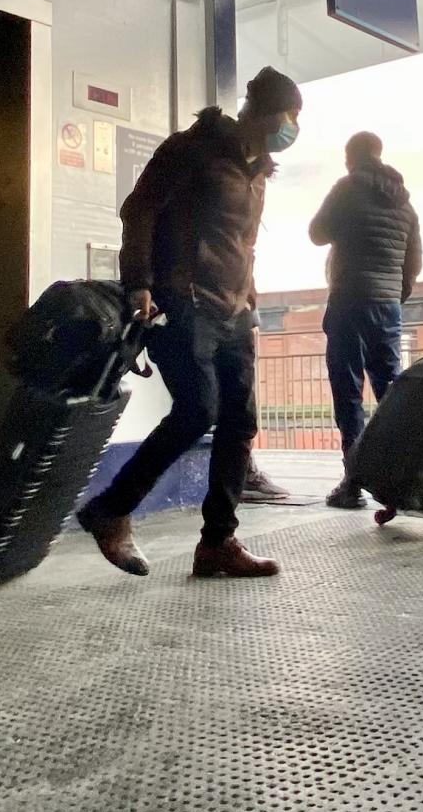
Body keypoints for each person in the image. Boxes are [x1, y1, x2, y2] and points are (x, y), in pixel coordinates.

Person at [75, 66, 304, 579]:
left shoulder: (258, 169)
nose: (292, 127)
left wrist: (250, 297)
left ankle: (218, 542)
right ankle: (111, 509)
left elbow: (243, 241)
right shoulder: (191, 149)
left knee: (240, 423)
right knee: (199, 410)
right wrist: (139, 282)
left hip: (235, 310)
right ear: (258, 113)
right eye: (287, 116)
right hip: (185, 300)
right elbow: (138, 211)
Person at [309, 132, 423, 509]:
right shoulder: (405, 204)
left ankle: (353, 482)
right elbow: (414, 264)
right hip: (388, 305)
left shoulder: (347, 188)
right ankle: (403, 478)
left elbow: (317, 232)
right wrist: (392, 295)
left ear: (351, 157)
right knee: (391, 392)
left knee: (348, 392)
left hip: (350, 300)